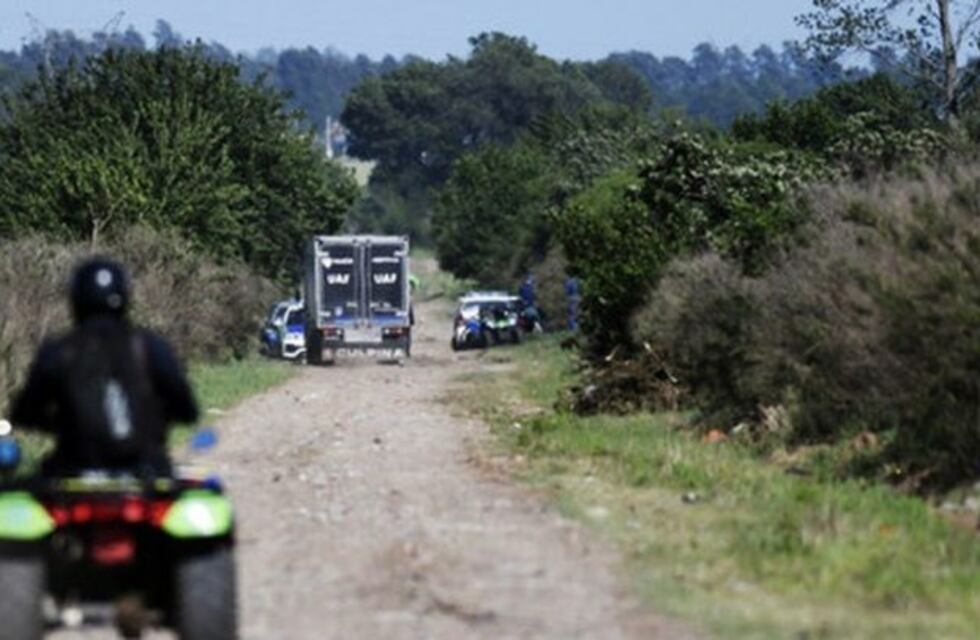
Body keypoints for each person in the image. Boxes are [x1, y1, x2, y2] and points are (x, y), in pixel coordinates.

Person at [10, 257, 199, 477]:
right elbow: (187, 410)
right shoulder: (149, 346)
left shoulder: (59, 350)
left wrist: (65, 426)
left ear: (76, 299)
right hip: (145, 471)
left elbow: (25, 413)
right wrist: (154, 422)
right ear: (125, 296)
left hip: (72, 470)